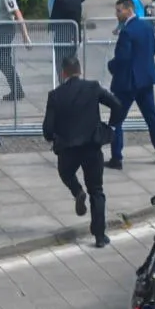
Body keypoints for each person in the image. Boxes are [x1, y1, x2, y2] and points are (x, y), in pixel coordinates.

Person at [43, 55, 122, 249]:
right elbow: (116, 104)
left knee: (66, 173)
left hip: (68, 148)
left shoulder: (55, 95)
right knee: (97, 190)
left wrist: (54, 137)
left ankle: (77, 191)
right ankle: (99, 236)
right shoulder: (92, 87)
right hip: (91, 145)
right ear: (80, 70)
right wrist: (110, 124)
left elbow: (47, 128)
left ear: (63, 73)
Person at [106, 0, 155, 169]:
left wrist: (111, 66)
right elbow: (152, 50)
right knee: (152, 117)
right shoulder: (147, 27)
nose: (117, 14)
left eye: (119, 11)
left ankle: (116, 158)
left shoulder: (127, 32)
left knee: (116, 119)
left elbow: (122, 58)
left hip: (128, 83)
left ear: (129, 10)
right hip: (145, 80)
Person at [48, 0, 86, 66]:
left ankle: (63, 80)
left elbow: (54, 19)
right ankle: (73, 79)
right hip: (76, 35)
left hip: (64, 36)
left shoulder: (60, 0)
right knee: (72, 61)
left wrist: (50, 27)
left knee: (61, 63)